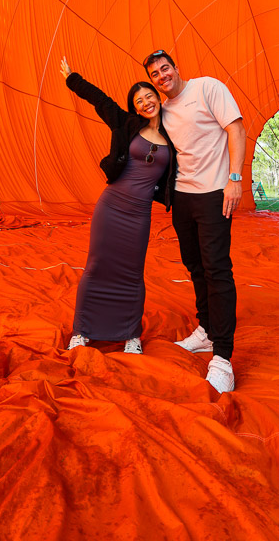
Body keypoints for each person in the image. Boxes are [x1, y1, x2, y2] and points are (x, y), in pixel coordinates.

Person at [143, 50, 246, 393]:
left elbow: (236, 128)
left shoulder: (207, 88)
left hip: (215, 193)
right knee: (195, 266)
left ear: (175, 67)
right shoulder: (163, 111)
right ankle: (206, 329)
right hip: (182, 198)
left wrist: (235, 178)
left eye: (164, 68)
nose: (161, 76)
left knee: (217, 268)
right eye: (155, 74)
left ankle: (223, 358)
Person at [61, 56, 176, 354]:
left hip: (139, 214)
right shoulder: (126, 125)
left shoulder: (174, 135)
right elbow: (99, 100)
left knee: (131, 272)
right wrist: (73, 78)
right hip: (111, 207)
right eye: (139, 100)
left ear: (158, 97)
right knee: (97, 267)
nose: (146, 102)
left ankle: (130, 335)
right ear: (134, 107)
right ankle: (82, 331)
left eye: (149, 95)